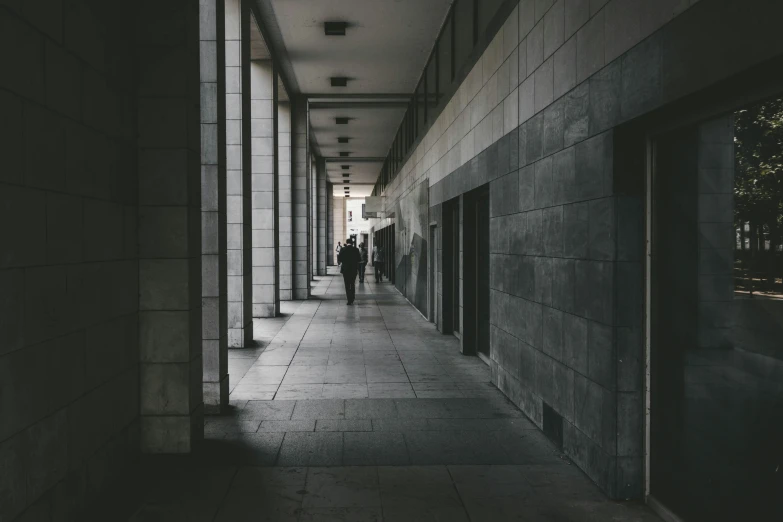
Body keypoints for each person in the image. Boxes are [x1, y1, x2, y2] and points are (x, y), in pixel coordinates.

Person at [337, 238, 361, 304]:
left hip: (345, 269)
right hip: (353, 269)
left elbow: (340, 259)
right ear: (352, 243)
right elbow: (359, 259)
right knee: (352, 283)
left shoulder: (343, 249)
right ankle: (352, 297)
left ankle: (349, 299)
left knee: (347, 284)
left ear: (346, 242)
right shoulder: (356, 250)